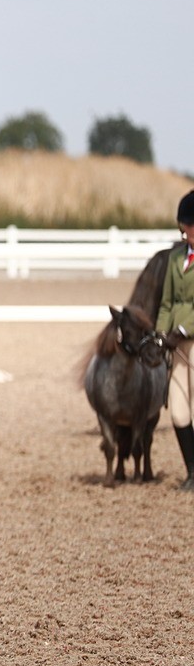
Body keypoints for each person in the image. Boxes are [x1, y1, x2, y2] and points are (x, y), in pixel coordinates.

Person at [156, 190, 194, 490]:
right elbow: (167, 303)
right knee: (178, 408)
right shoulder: (176, 258)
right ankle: (192, 472)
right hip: (176, 345)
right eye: (184, 225)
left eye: (189, 224)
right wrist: (160, 333)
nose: (185, 230)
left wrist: (182, 331)